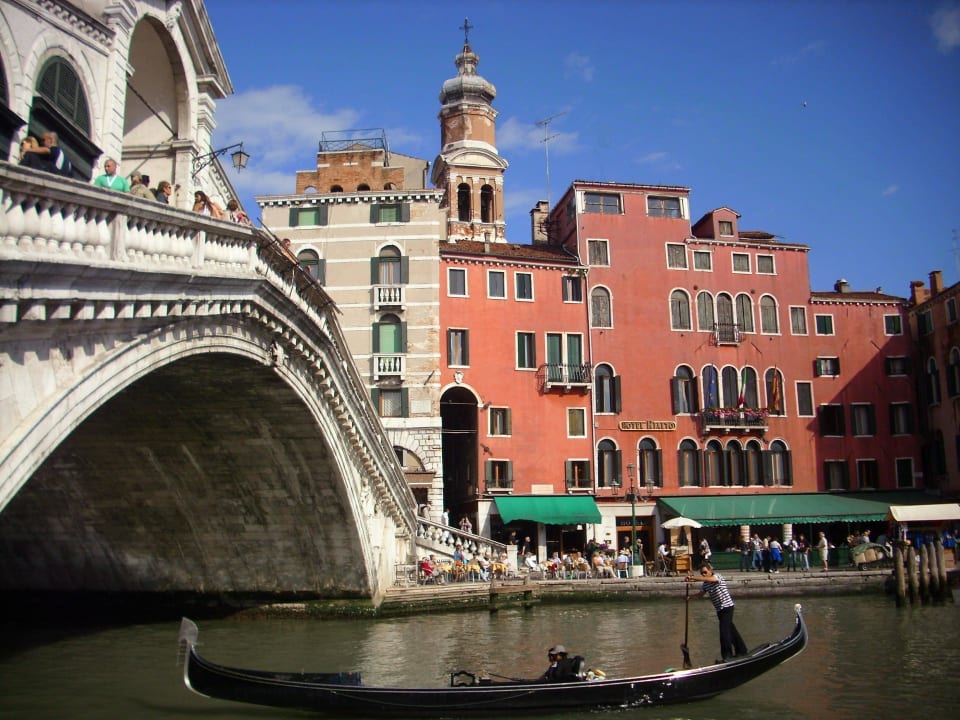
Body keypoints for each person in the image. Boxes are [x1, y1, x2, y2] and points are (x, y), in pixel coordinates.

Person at [687, 563, 748, 662]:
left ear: (710, 570)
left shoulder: (717, 576)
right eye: (702, 573)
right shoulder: (706, 584)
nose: (703, 574)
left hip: (727, 607)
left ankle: (727, 656)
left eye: (705, 572)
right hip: (719, 610)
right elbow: (700, 594)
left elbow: (712, 580)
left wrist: (693, 578)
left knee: (724, 632)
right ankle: (742, 650)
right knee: (731, 631)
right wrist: (690, 597)